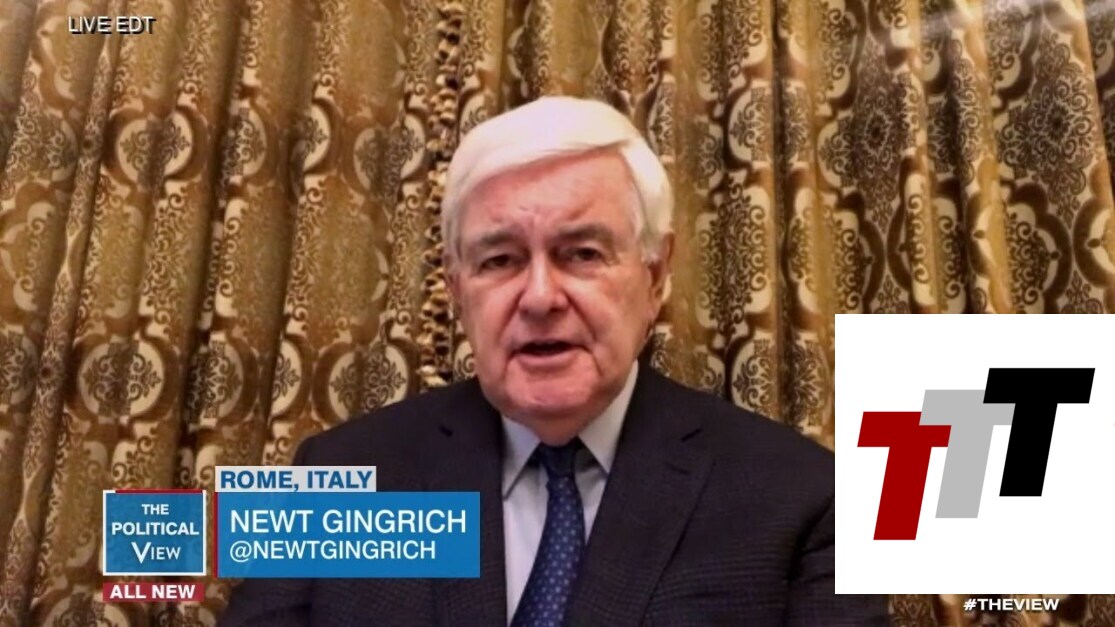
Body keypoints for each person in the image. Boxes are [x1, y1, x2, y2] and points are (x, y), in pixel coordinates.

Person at [219, 97, 888, 626]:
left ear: (656, 276)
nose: (540, 297)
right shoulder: (337, 476)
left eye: (582, 254)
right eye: (500, 260)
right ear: (456, 288)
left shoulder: (805, 497)